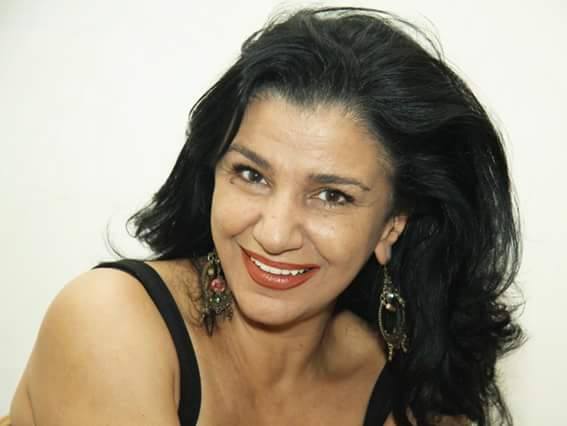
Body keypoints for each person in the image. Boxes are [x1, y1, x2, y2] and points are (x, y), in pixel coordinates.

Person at [8, 7, 523, 426]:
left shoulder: (408, 388)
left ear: (392, 225)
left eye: (332, 196)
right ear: (213, 172)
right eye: (251, 175)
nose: (274, 234)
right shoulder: (112, 322)